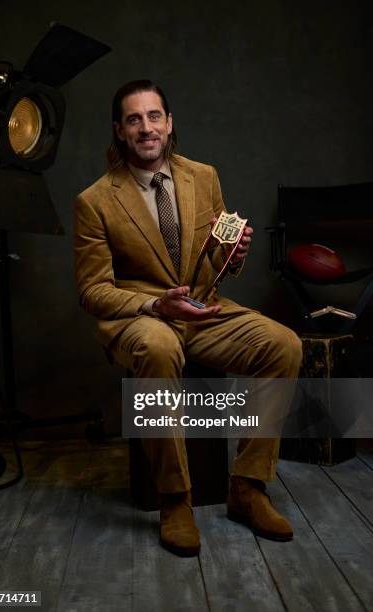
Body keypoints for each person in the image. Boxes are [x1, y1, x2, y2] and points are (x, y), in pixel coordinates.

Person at [75, 80, 302, 557]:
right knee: (158, 347)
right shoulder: (95, 201)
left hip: (202, 310)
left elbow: (217, 262)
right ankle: (175, 498)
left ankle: (248, 488)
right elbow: (93, 291)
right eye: (134, 119)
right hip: (143, 316)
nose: (146, 127)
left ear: (169, 123)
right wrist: (156, 305)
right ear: (119, 130)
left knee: (284, 344)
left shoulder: (204, 176)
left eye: (154, 116)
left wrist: (233, 253)